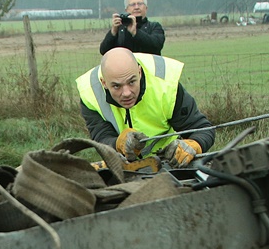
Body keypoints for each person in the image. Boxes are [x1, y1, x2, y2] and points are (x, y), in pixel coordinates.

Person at [77, 47, 215, 170]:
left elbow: (203, 129)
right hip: (125, 166)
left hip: (170, 161)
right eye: (117, 86)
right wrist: (117, 144)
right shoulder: (91, 94)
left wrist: (194, 144)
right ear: (104, 83)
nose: (126, 93)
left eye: (132, 82)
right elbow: (101, 137)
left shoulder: (165, 85)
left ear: (140, 72)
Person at [99, 0, 165, 56]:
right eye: (133, 5)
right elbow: (103, 51)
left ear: (146, 8)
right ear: (126, 10)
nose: (136, 7)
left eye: (140, 4)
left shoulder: (154, 27)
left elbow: (156, 46)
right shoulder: (120, 29)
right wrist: (112, 33)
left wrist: (135, 33)